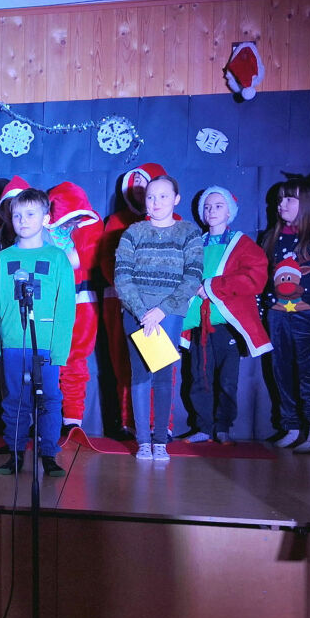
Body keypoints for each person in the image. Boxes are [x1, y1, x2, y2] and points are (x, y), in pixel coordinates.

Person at [0, 188, 75, 476]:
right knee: (15, 400)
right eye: (17, 215)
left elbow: (65, 308)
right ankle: (15, 453)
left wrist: (60, 349)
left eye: (30, 214)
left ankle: (48, 452)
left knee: (49, 399)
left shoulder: (57, 258)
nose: (23, 220)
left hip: (45, 345)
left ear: (45, 218)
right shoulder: (2, 259)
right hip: (12, 344)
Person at [115, 175, 203, 462]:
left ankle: (160, 441)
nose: (156, 202)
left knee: (164, 377)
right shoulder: (133, 233)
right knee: (139, 376)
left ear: (176, 199)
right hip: (136, 312)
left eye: (164, 196)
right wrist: (142, 312)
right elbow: (122, 277)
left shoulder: (187, 233)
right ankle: (142, 441)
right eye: (151, 197)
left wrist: (162, 310)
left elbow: (192, 276)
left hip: (169, 312)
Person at [181, 187, 272, 445]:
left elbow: (256, 277)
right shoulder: (195, 244)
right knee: (200, 376)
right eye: (207, 207)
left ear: (229, 211)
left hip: (228, 325)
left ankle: (223, 426)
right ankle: (203, 426)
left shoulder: (242, 244)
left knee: (228, 380)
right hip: (201, 323)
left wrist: (212, 286)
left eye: (218, 206)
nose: (212, 211)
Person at [100, 163, 174, 439]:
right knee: (127, 364)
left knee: (160, 363)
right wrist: (128, 292)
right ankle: (131, 422)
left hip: (161, 306)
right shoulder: (118, 222)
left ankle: (160, 425)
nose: (147, 198)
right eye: (142, 191)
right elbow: (109, 260)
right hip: (123, 302)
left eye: (153, 192)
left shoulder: (176, 224)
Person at [260, 178, 310, 454]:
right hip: (278, 313)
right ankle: (291, 425)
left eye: (289, 199)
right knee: (281, 369)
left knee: (309, 371)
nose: (282, 205)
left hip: (309, 313)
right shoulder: (272, 237)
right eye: (280, 200)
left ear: (306, 204)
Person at [45, 182, 104, 437]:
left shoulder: (91, 229)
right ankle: (46, 420)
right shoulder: (42, 232)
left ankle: (72, 420)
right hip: (50, 304)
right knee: (46, 364)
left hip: (81, 302)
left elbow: (87, 259)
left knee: (75, 361)